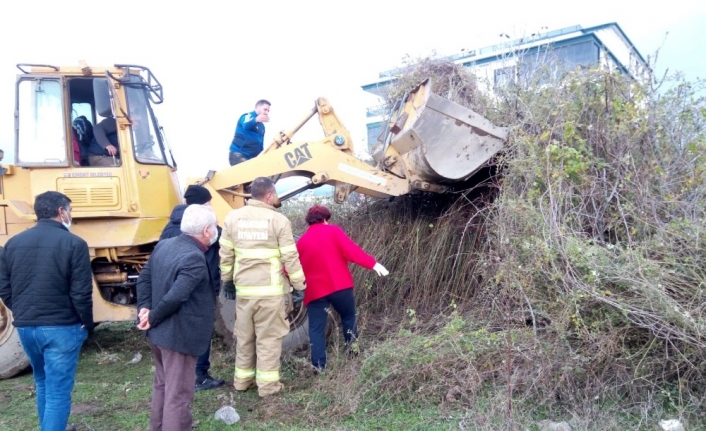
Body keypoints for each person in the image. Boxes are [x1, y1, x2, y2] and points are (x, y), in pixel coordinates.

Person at [0, 191, 93, 431]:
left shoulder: (13, 243)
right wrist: (86, 324)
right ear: (61, 211)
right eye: (69, 210)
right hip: (62, 327)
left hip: (27, 328)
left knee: (42, 383)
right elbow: (81, 292)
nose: (70, 215)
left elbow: (4, 287)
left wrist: (21, 311)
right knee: (58, 392)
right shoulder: (75, 243)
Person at [219, 176, 305, 397]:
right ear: (269, 195)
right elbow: (290, 257)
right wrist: (299, 285)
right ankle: (268, 387)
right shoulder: (278, 221)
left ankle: (242, 381)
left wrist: (227, 281)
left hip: (245, 293)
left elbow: (226, 255)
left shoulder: (233, 218)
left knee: (245, 337)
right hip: (270, 293)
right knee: (268, 339)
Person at [136, 204, 218, 431]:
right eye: (213, 227)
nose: (215, 231)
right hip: (178, 337)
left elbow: (143, 279)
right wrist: (151, 314)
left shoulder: (164, 245)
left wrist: (144, 309)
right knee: (179, 394)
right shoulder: (194, 257)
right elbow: (176, 296)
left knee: (163, 386)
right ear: (206, 231)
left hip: (159, 336)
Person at [295, 205, 389, 371]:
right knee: (348, 318)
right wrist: (373, 264)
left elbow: (290, 267)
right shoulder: (333, 231)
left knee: (316, 329)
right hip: (340, 287)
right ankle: (353, 354)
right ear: (325, 218)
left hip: (315, 293)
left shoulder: (301, 242)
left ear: (308, 222)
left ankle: (319, 367)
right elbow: (352, 252)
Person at [159, 184, 225, 392]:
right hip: (201, 289)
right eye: (209, 202)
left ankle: (179, 374)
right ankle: (199, 376)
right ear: (203, 204)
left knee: (177, 330)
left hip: (172, 288)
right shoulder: (208, 229)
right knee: (201, 331)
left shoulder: (169, 229)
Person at [228, 100, 270, 166]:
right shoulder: (247, 116)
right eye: (265, 109)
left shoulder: (262, 127)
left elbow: (260, 144)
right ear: (257, 107)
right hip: (238, 155)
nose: (267, 113)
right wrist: (256, 119)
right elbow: (246, 125)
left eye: (268, 111)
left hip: (251, 158)